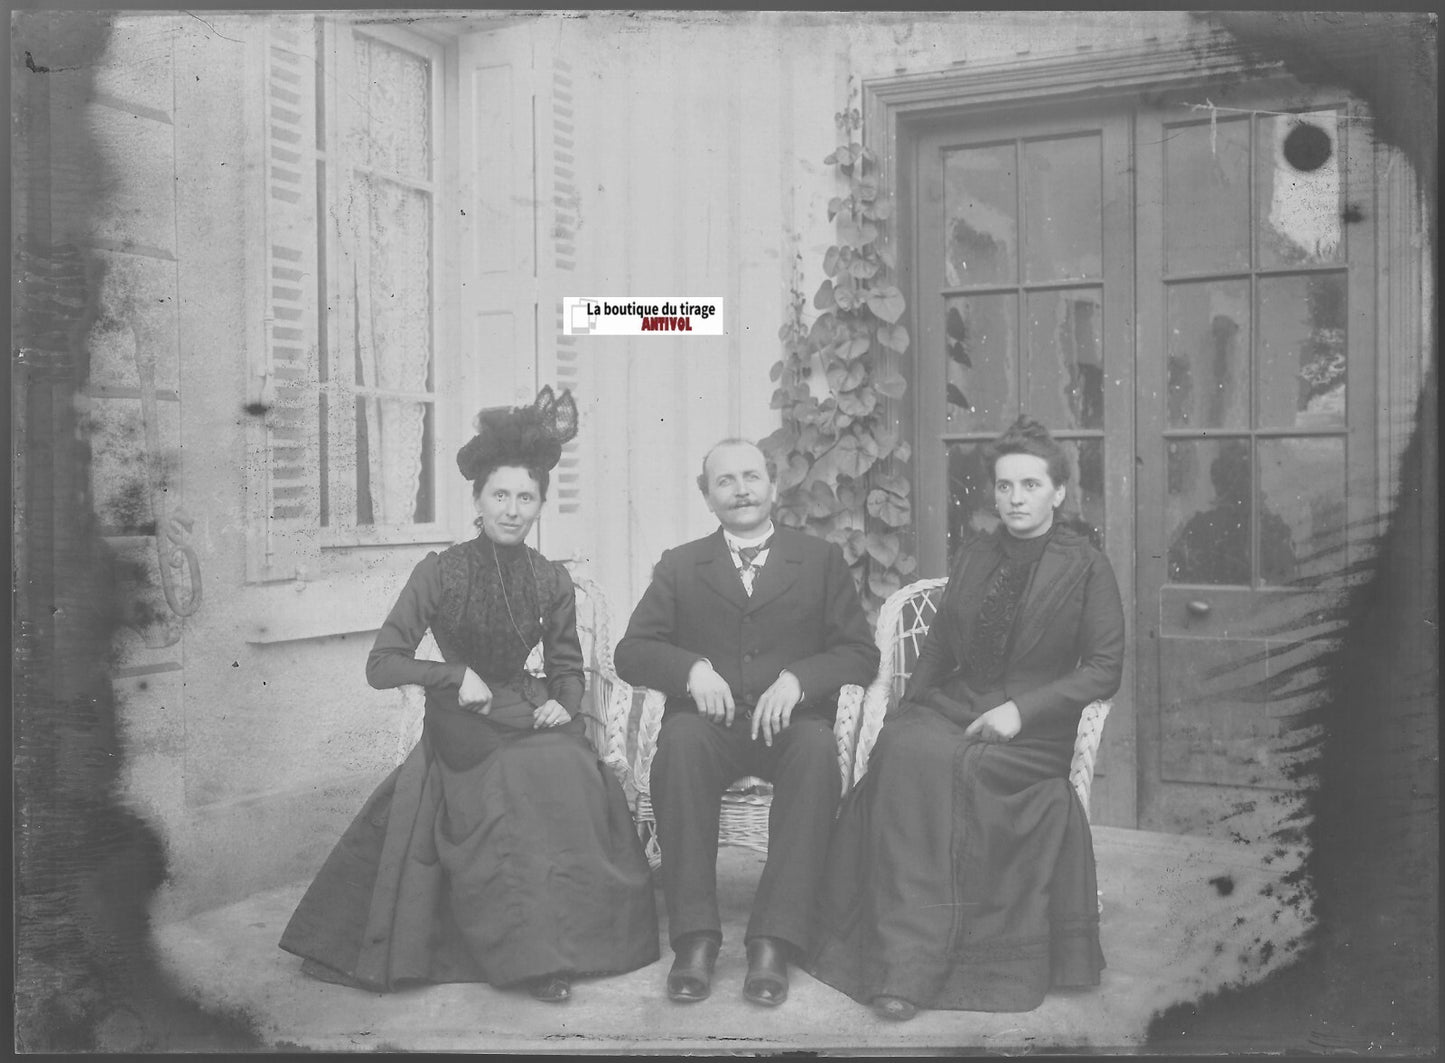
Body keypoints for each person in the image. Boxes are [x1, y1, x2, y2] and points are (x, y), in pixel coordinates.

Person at [279, 387, 658, 1003]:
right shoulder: (440, 570)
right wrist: (455, 676)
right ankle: (533, 959)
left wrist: (564, 697)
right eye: (500, 495)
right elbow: (383, 664)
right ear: (478, 500)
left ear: (539, 505)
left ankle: (573, 943)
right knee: (511, 776)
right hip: (463, 719)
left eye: (525, 498)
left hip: (527, 704)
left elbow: (567, 666)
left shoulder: (549, 578)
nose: (512, 509)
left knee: (570, 767)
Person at [807, 415, 1125, 1020]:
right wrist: (908, 709)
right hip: (958, 704)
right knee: (902, 747)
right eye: (1005, 487)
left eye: (1031, 486)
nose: (1016, 499)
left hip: (1032, 728)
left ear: (1059, 491)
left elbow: (1103, 669)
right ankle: (896, 957)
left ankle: (917, 971)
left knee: (944, 763)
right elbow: (938, 649)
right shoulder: (978, 553)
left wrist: (1021, 711)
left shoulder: (1086, 566)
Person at [614, 439, 879, 1007]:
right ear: (707, 495)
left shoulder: (819, 560)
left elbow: (860, 653)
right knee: (678, 746)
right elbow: (632, 651)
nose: (741, 490)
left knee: (815, 754)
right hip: (709, 725)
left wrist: (799, 679)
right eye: (726, 481)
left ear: (772, 485)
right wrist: (691, 669)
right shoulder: (681, 565)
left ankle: (773, 942)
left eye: (751, 477)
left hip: (791, 723)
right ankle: (695, 939)